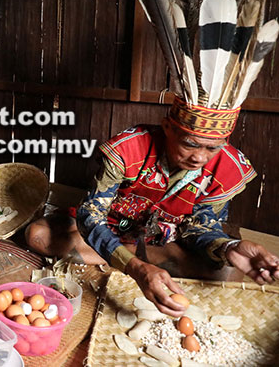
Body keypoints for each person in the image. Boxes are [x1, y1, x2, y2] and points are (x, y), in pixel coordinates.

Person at [26, 99, 279, 317]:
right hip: (114, 227)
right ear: (168, 127)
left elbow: (200, 226)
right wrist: (135, 268)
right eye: (190, 144)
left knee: (228, 271)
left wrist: (228, 247)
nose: (200, 157)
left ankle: (139, 256)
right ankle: (142, 258)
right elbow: (91, 214)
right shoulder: (128, 149)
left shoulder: (228, 167)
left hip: (169, 238)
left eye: (213, 147)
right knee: (37, 235)